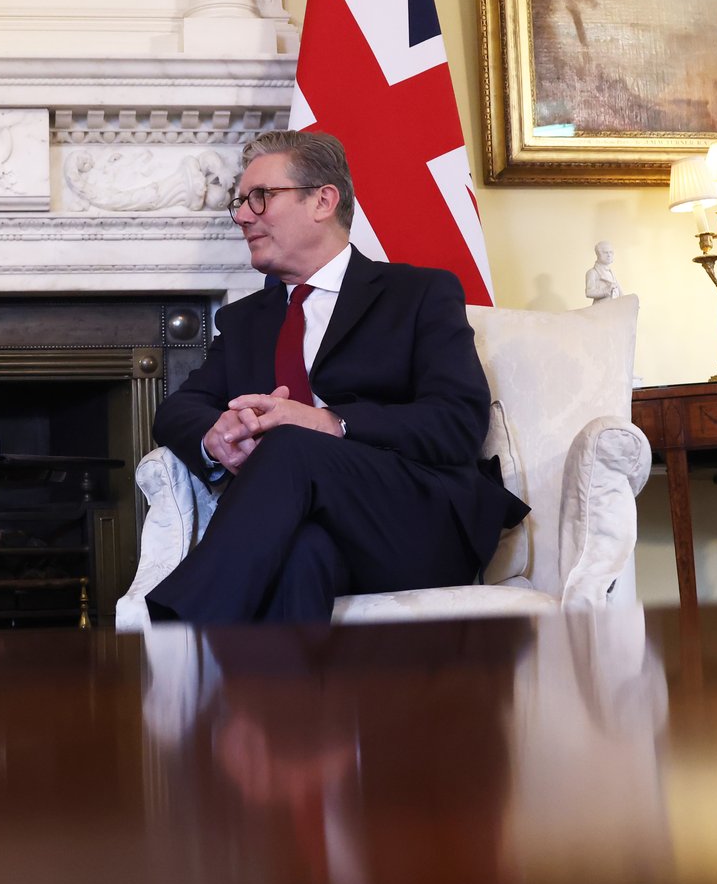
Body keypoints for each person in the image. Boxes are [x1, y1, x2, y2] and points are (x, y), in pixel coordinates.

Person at [144, 130, 526, 625]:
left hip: (415, 524)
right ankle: (282, 703)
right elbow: (178, 410)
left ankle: (174, 635)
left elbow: (456, 423)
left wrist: (330, 423)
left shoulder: (417, 294)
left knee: (290, 442)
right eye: (240, 201)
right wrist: (215, 437)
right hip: (309, 526)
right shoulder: (245, 321)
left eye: (260, 197)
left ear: (323, 200)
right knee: (303, 554)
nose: (241, 215)